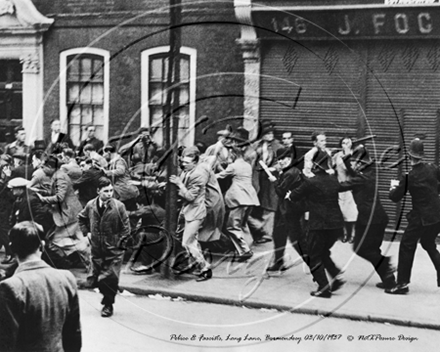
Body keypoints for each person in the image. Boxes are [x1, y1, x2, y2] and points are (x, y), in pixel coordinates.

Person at [0, 221, 81, 352]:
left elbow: (6, 342)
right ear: (42, 246)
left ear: (12, 247)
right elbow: (73, 335)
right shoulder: (67, 278)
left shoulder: (10, 286)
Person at [289, 150, 345, 298]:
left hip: (319, 225)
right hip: (336, 224)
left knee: (314, 255)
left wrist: (290, 194)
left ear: (315, 164)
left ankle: (323, 288)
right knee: (323, 252)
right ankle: (335, 276)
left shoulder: (311, 182)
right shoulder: (333, 179)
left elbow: (294, 196)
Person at [387, 138, 440, 294]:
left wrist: (393, 187)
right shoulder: (433, 168)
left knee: (406, 245)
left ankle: (402, 284)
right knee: (428, 243)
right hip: (437, 215)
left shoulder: (409, 177)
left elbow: (395, 197)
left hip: (421, 217)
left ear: (409, 157)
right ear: (421, 155)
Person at [340, 145, 396, 289]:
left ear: (360, 164)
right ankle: (389, 280)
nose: (351, 164)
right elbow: (353, 172)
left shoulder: (362, 178)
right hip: (378, 218)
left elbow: (343, 185)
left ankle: (386, 263)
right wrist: (347, 157)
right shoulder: (369, 173)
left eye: (353, 161)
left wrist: (322, 184)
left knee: (360, 248)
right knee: (373, 250)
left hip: (369, 220)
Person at [78, 177, 130, 317]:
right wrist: (87, 232)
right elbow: (81, 218)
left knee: (110, 278)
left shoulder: (119, 206)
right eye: (106, 191)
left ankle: (108, 305)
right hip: (97, 249)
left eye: (111, 191)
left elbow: (126, 228)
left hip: (114, 249)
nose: (109, 194)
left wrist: (120, 244)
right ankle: (107, 292)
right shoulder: (91, 205)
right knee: (97, 279)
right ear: (98, 191)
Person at [36, 156, 90, 269]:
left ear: (50, 167)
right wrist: (41, 191)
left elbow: (60, 197)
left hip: (68, 213)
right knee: (77, 237)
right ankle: (88, 263)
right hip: (72, 212)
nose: (42, 170)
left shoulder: (59, 177)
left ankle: (84, 253)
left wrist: (43, 199)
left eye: (43, 167)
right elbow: (57, 192)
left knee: (56, 240)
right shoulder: (58, 175)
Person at [216, 129, 259, 262]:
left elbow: (222, 174)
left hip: (238, 197)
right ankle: (244, 248)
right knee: (241, 224)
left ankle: (245, 251)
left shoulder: (244, 157)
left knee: (233, 226)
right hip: (249, 196)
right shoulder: (246, 161)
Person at [170, 150, 212, 281]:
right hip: (187, 211)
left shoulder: (198, 175)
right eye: (183, 161)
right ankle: (197, 265)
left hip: (195, 212)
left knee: (187, 243)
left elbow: (190, 196)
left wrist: (179, 184)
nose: (183, 164)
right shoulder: (187, 171)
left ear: (195, 163)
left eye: (187, 163)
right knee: (192, 241)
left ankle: (205, 268)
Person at [267, 147, 308, 272]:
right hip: (284, 209)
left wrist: (274, 181)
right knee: (278, 235)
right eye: (279, 159)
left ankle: (317, 265)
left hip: (290, 210)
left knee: (297, 241)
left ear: (290, 159)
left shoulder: (291, 172)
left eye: (285, 158)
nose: (282, 161)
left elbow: (280, 191)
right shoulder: (289, 171)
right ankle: (278, 262)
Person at [247, 121, 282, 244]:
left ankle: (267, 233)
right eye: (267, 133)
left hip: (271, 179)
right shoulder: (256, 145)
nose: (270, 135)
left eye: (272, 133)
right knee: (252, 204)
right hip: (256, 178)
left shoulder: (278, 146)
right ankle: (256, 231)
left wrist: (274, 168)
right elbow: (248, 158)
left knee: (270, 205)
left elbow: (283, 162)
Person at [332, 136, 358, 243]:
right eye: (343, 143)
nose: (346, 145)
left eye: (348, 143)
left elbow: (352, 170)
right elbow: (332, 167)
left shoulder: (355, 155)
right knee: (341, 211)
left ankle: (353, 234)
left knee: (352, 212)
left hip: (351, 187)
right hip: (340, 185)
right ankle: (344, 234)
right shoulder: (337, 156)